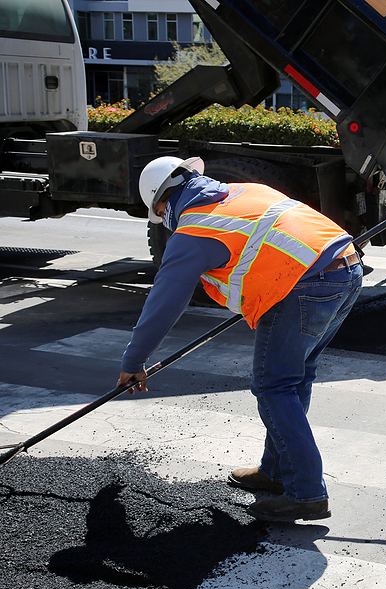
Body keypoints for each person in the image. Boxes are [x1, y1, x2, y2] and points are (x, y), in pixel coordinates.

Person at [117, 156, 363, 521]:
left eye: (159, 210)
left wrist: (133, 362)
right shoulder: (246, 191)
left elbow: (163, 303)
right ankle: (277, 471)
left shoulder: (194, 230)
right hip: (346, 268)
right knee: (295, 379)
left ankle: (307, 493)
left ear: (164, 203)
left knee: (273, 385)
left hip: (302, 287)